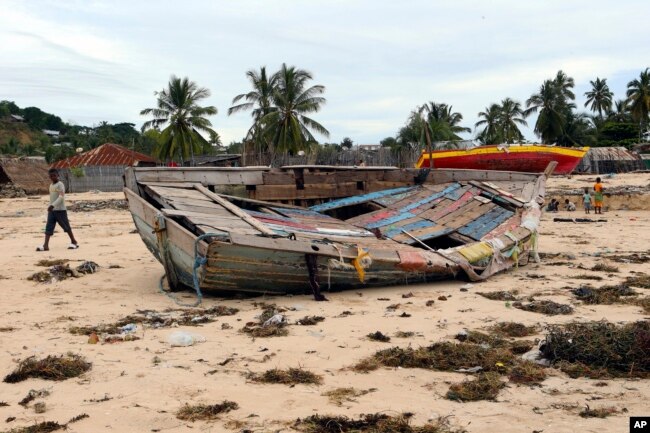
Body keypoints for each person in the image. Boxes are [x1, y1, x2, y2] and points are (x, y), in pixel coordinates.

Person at [37, 168, 79, 251]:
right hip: (52, 211)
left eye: (54, 176)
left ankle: (74, 241)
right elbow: (52, 198)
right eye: (51, 176)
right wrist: (50, 206)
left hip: (60, 210)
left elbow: (61, 197)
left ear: (58, 176)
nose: (53, 177)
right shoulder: (51, 185)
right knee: (48, 227)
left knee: (66, 226)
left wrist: (52, 205)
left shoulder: (60, 185)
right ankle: (45, 245)